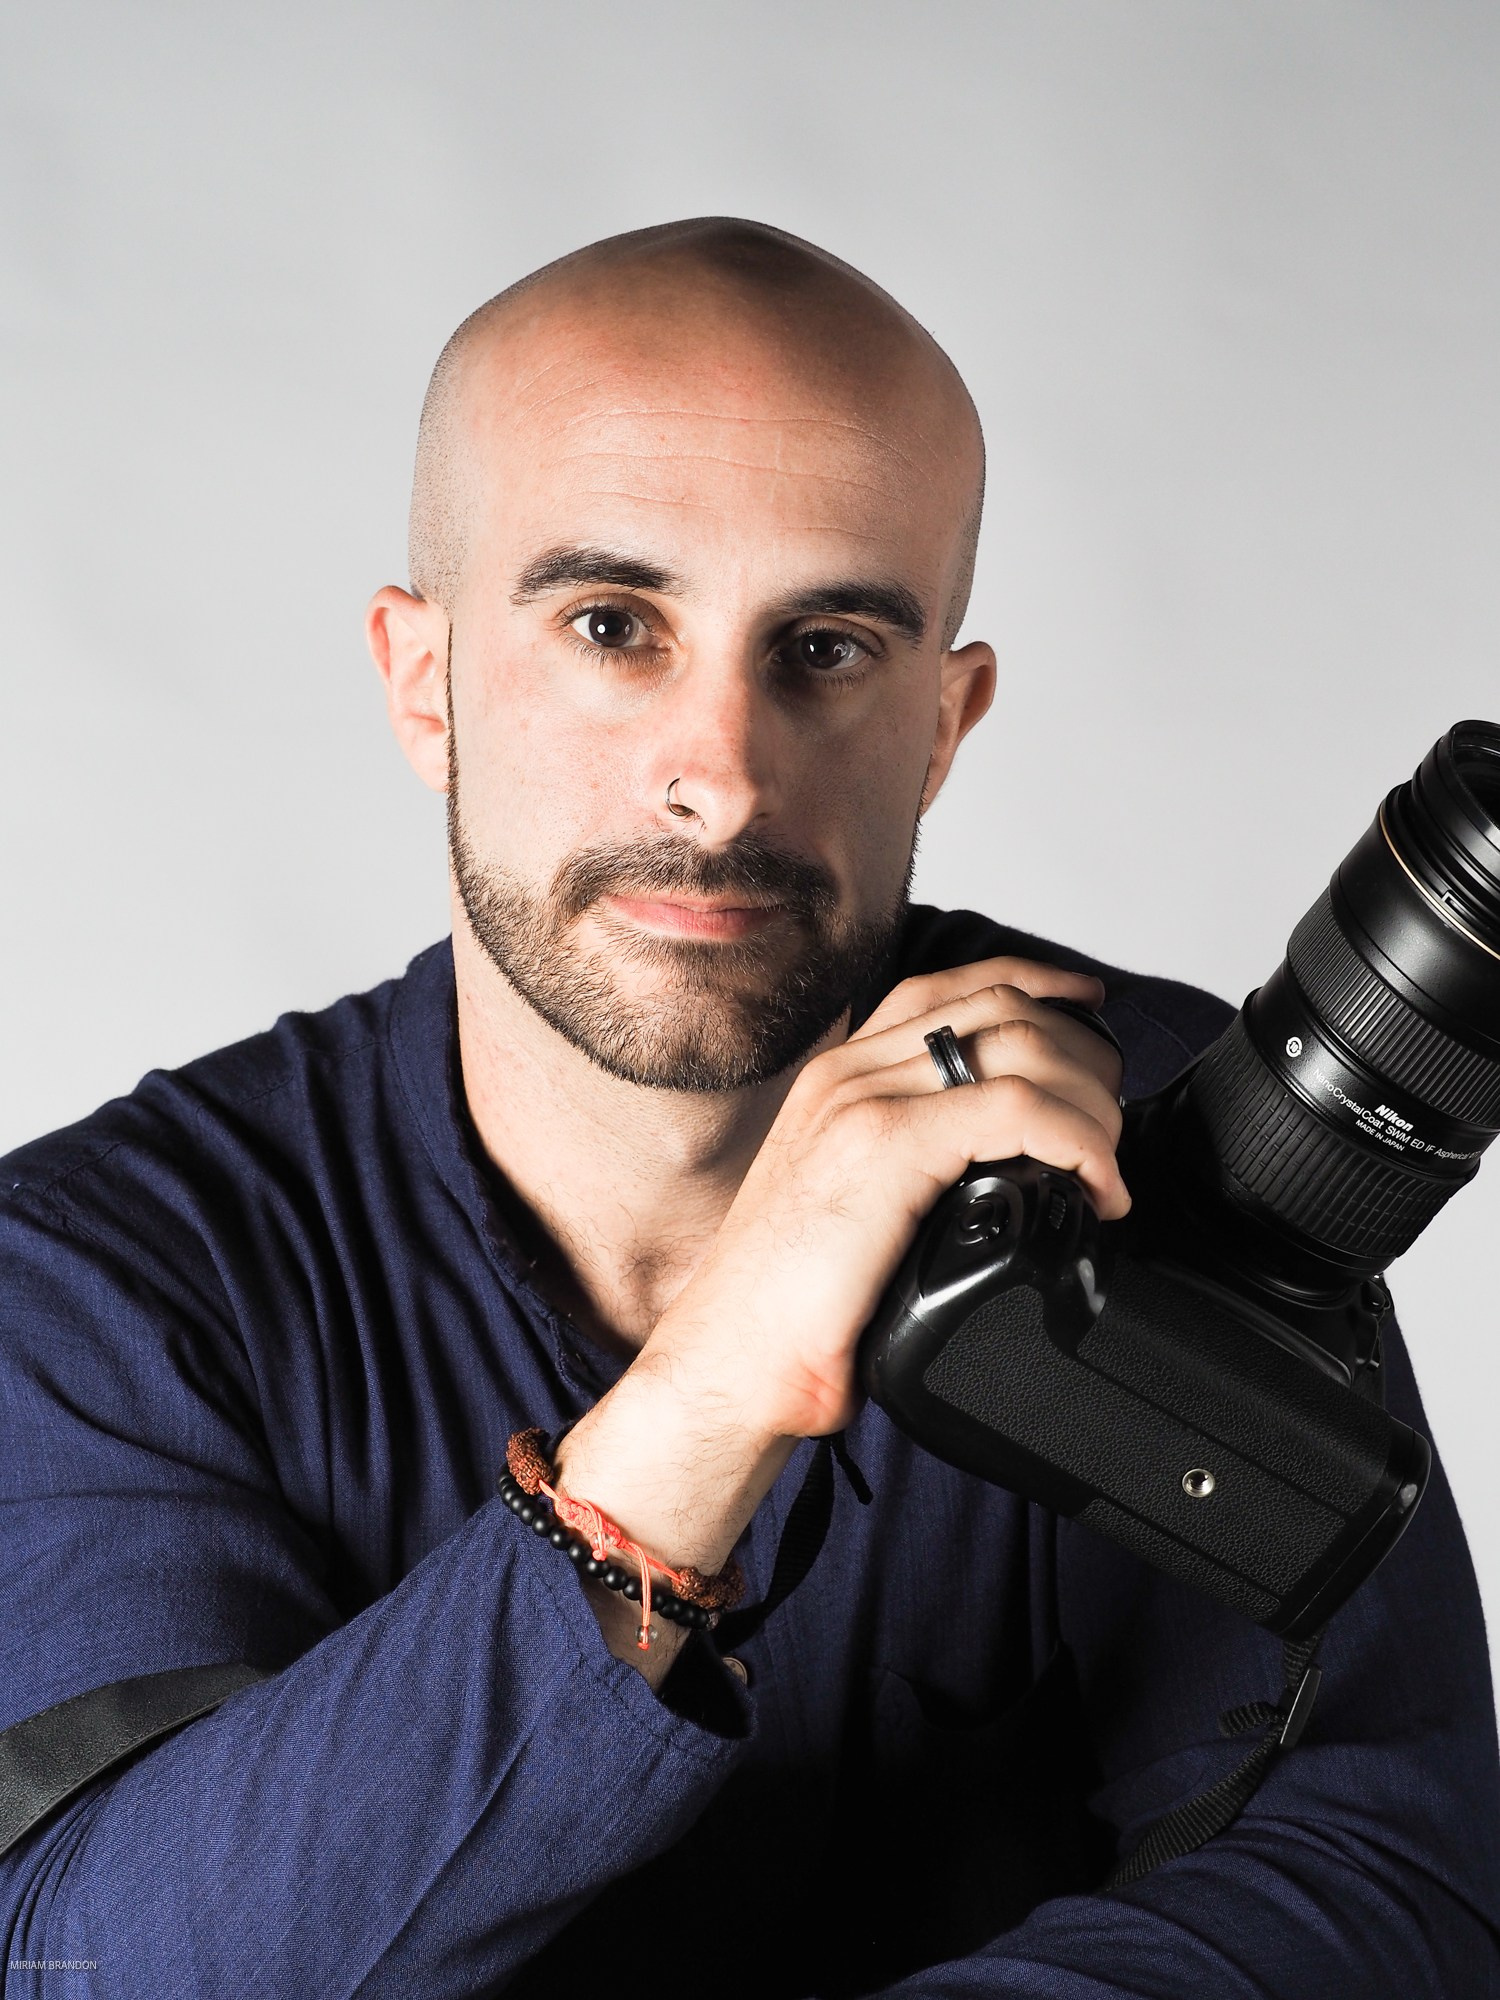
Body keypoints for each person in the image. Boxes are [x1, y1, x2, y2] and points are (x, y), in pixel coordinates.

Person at [0, 217, 1496, 2000]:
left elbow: (1385, 1876)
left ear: (945, 721)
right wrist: (713, 1386)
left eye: (830, 648)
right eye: (613, 625)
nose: (718, 771)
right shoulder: (100, 1277)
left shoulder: (1144, 1125)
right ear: (427, 679)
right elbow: (106, 1966)